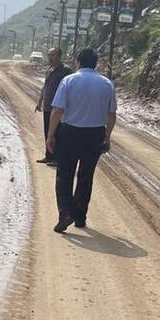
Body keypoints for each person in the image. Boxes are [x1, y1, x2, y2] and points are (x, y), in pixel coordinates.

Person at [46, 48, 117, 233]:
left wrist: (51, 135)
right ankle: (79, 217)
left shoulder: (69, 81)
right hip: (94, 134)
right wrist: (107, 137)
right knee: (86, 176)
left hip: (69, 132)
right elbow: (111, 114)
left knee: (65, 174)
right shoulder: (107, 84)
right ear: (96, 63)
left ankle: (65, 213)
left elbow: (58, 110)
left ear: (78, 62)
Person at [35, 48, 72, 165]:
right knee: (48, 131)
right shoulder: (49, 70)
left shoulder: (66, 71)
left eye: (53, 55)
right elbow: (45, 86)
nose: (50, 58)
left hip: (59, 108)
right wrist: (39, 101)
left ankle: (57, 158)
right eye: (49, 55)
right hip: (48, 106)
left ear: (59, 56)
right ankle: (49, 156)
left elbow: (71, 89)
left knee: (58, 133)